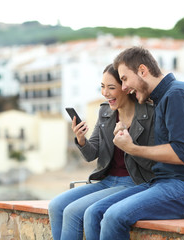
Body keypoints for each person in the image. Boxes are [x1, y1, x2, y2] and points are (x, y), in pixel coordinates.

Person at [82, 46, 184, 240]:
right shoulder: (161, 100)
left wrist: (131, 148)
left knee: (113, 216)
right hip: (163, 183)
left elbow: (180, 153)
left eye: (125, 79)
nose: (124, 87)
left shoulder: (177, 94)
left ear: (143, 70)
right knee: (94, 212)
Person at [48, 63, 156, 240]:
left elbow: (152, 163)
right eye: (102, 87)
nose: (105, 93)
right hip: (106, 180)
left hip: (134, 182)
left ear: (126, 88)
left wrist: (127, 141)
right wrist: (81, 139)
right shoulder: (106, 112)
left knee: (75, 212)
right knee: (56, 205)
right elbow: (91, 154)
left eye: (111, 88)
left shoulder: (149, 114)